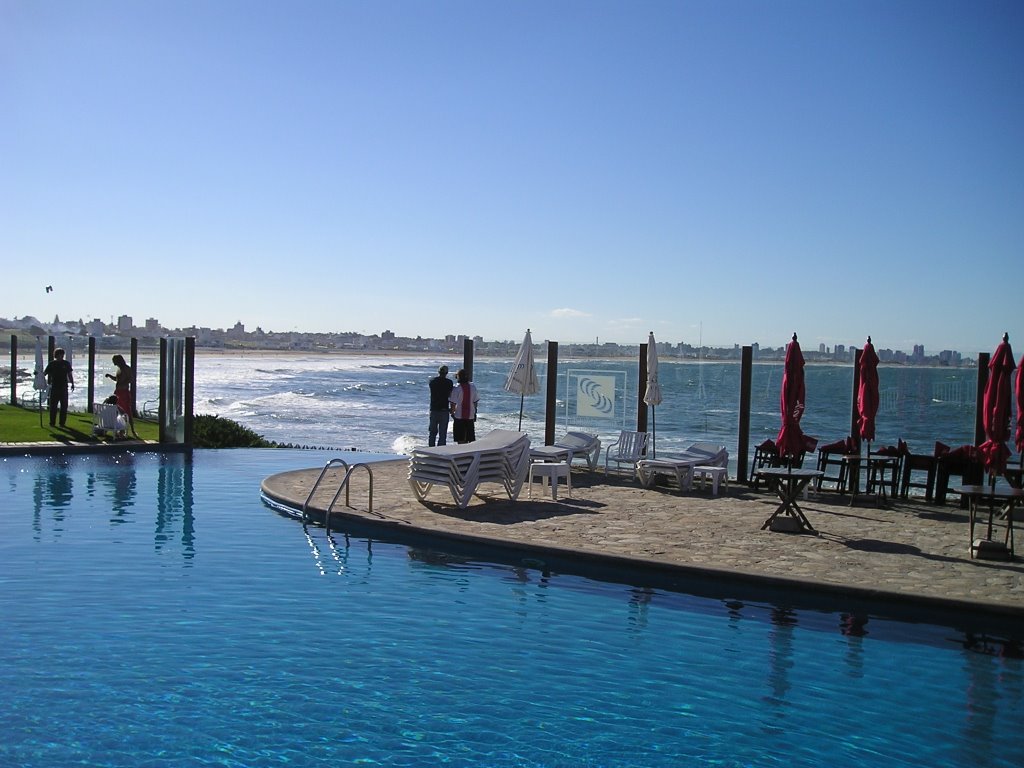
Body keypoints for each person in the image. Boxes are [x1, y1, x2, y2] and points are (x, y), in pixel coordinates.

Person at [105, 354, 138, 437]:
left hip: (124, 392)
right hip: (118, 391)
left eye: (114, 361)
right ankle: (119, 429)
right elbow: (117, 379)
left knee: (127, 411)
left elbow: (131, 379)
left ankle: (132, 430)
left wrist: (123, 383)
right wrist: (110, 376)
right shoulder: (119, 369)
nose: (113, 363)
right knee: (116, 410)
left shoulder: (127, 369)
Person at [42, 347, 74, 427]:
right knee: (53, 406)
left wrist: (72, 383)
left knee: (64, 406)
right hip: (55, 386)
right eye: (60, 355)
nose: (61, 356)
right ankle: (52, 422)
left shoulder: (66, 363)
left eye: (62, 355)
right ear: (56, 355)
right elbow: (45, 373)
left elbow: (69, 374)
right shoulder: (52, 364)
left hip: (63, 386)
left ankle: (62, 423)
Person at [449, 368, 480, 445]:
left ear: (458, 377)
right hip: (470, 416)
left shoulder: (456, 388)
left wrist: (452, 413)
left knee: (460, 439)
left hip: (459, 416)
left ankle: (461, 454)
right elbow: (475, 402)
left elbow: (453, 404)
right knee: (470, 439)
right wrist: (474, 412)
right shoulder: (473, 387)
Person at [428, 365, 454, 447]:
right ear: (446, 373)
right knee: (442, 434)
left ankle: (430, 450)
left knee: (432, 433)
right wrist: (452, 409)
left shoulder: (432, 381)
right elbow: (450, 396)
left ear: (438, 372)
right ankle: (440, 452)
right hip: (444, 409)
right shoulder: (449, 382)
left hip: (434, 409)